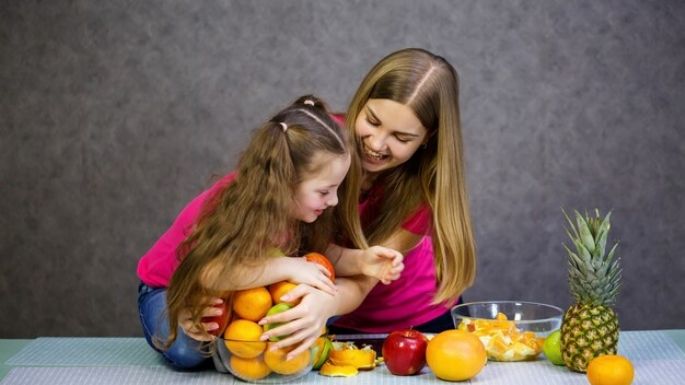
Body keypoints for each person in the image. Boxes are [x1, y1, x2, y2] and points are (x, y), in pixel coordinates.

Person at [136, 96, 403, 370]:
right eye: (324, 191)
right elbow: (211, 272)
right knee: (187, 351)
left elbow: (323, 252)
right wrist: (286, 266)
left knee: (314, 300)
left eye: (336, 189)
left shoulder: (300, 210)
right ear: (286, 182)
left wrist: (362, 261)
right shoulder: (239, 205)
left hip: (234, 288)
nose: (334, 201)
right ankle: (223, 339)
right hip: (171, 288)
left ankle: (238, 343)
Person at [260, 48, 476, 341]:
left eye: (401, 138)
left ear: (429, 139)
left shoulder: (424, 190)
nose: (376, 144)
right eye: (372, 121)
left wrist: (328, 304)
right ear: (361, 102)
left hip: (418, 323)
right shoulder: (321, 143)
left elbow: (365, 279)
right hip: (323, 313)